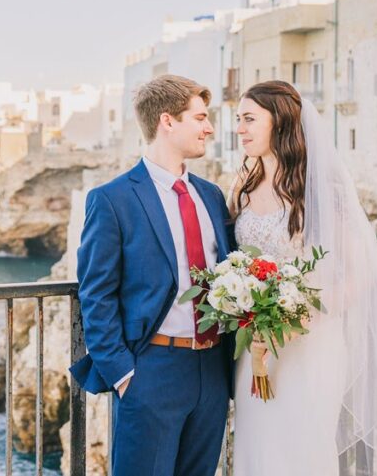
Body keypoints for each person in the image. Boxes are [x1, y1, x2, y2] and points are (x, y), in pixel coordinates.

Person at [231, 80, 377, 475]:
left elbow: (360, 276)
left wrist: (299, 317)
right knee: (257, 450)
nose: (240, 129)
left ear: (280, 122)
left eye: (249, 119)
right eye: (238, 119)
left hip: (311, 343)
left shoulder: (322, 191)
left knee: (302, 452)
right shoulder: (242, 188)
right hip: (256, 351)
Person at [70, 74, 235, 476]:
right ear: (167, 121)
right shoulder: (113, 199)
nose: (209, 127)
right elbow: (97, 294)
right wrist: (125, 376)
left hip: (212, 372)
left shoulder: (211, 195)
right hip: (151, 371)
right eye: (200, 117)